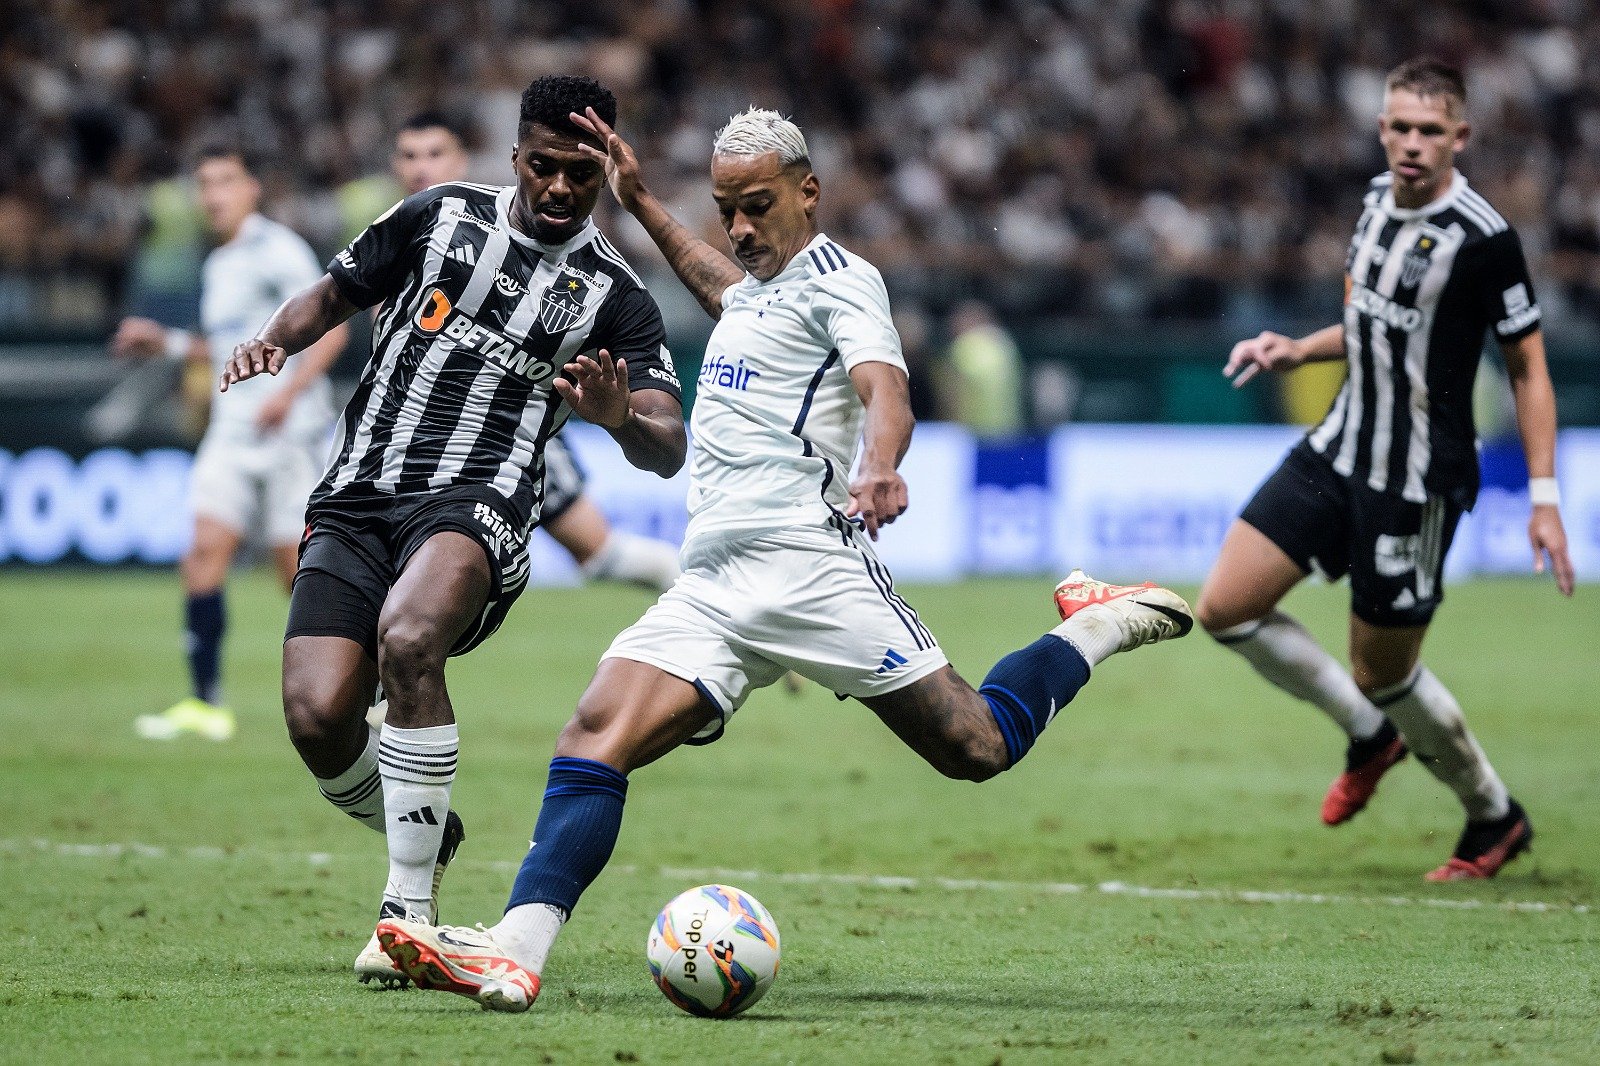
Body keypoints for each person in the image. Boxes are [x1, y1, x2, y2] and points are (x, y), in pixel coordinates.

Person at [374, 107, 1193, 1013]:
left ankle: (1095, 626)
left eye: (757, 205)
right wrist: (643, 202)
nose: (740, 227)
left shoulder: (846, 284)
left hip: (811, 568)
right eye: (727, 208)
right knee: (594, 736)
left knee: (976, 747)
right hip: (715, 580)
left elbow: (887, 390)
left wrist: (879, 464)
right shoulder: (758, 288)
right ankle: (516, 952)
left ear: (809, 193)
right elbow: (719, 283)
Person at [217, 75, 686, 987]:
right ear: (515, 155)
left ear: (604, 174)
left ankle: (407, 909)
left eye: (580, 174)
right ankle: (428, 827)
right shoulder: (437, 217)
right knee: (317, 717)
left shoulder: (617, 296)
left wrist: (619, 415)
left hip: (481, 503)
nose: (558, 188)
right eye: (543, 166)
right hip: (358, 494)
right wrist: (273, 338)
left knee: (411, 635)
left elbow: (666, 446)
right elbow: (333, 293)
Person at [1196, 58, 1575, 882]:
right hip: (1337, 448)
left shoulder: (1485, 241)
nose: (1411, 144)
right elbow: (1368, 323)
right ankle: (1371, 736)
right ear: (1382, 129)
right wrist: (1298, 346)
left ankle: (1492, 814)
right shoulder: (1372, 203)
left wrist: (1544, 498)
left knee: (1382, 669)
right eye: (1399, 127)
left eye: (1429, 131)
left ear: (1459, 138)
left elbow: (1529, 370)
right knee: (1224, 609)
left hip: (1415, 480)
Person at [387, 110, 682, 592]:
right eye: (409, 156)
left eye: (435, 154)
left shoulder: (513, 236)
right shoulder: (398, 239)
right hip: (417, 447)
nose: (422, 167)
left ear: (465, 159)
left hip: (506, 441)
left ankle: (715, 609)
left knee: (601, 552)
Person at [115, 146, 347, 742]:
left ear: (252, 189)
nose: (212, 195)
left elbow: (333, 329)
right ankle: (205, 702)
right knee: (202, 552)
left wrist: (288, 396)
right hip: (232, 430)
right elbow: (224, 349)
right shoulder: (220, 261)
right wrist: (164, 343)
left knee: (292, 572)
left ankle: (353, 692)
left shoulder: (279, 250)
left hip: (288, 432)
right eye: (204, 184)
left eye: (224, 182)